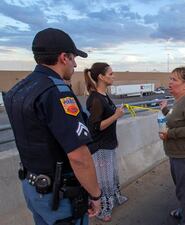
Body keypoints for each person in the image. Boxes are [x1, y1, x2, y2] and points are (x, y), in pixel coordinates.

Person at [4, 28, 101, 225]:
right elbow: (79, 157)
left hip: (33, 188)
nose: (75, 63)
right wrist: (96, 195)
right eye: (73, 58)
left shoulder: (19, 89)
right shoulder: (57, 93)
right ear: (63, 57)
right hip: (60, 196)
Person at [158, 67, 185, 225]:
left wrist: (170, 134)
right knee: (181, 189)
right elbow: (175, 119)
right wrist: (164, 109)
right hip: (177, 154)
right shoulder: (179, 101)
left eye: (174, 80)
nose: (170, 83)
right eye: (170, 79)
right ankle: (183, 211)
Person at [84, 63, 128, 222]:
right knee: (103, 179)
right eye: (110, 74)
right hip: (100, 147)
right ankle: (102, 210)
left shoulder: (103, 95)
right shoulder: (95, 99)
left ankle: (115, 198)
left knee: (112, 176)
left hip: (108, 144)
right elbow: (96, 126)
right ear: (101, 77)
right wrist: (116, 116)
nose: (113, 76)